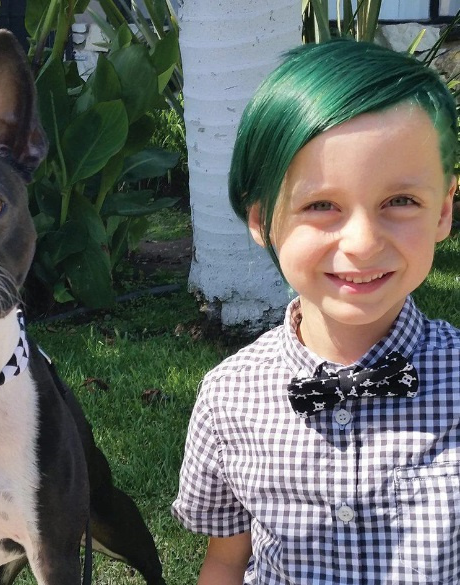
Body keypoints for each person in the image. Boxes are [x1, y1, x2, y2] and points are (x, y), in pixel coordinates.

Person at [171, 38, 460, 584]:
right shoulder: (228, 398)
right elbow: (226, 560)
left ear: (443, 210)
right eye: (321, 205)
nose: (363, 243)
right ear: (261, 219)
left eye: (400, 201)